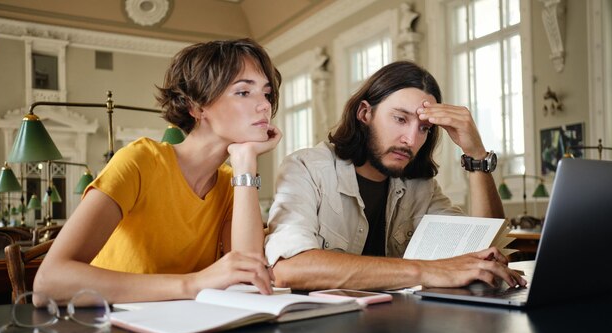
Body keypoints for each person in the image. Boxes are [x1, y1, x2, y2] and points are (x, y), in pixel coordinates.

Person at [34, 38, 281, 304]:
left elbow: (248, 275)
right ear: (197, 107)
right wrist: (193, 283)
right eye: (244, 92)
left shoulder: (231, 184)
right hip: (108, 331)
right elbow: (48, 284)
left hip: (185, 332)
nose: (265, 105)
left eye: (266, 93)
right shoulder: (139, 161)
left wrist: (245, 162)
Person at [265, 60, 526, 291]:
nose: (411, 140)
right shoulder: (306, 168)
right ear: (365, 113)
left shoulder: (421, 187)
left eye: (423, 128)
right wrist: (424, 270)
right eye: (400, 119)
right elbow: (289, 268)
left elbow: (490, 255)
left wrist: (477, 156)